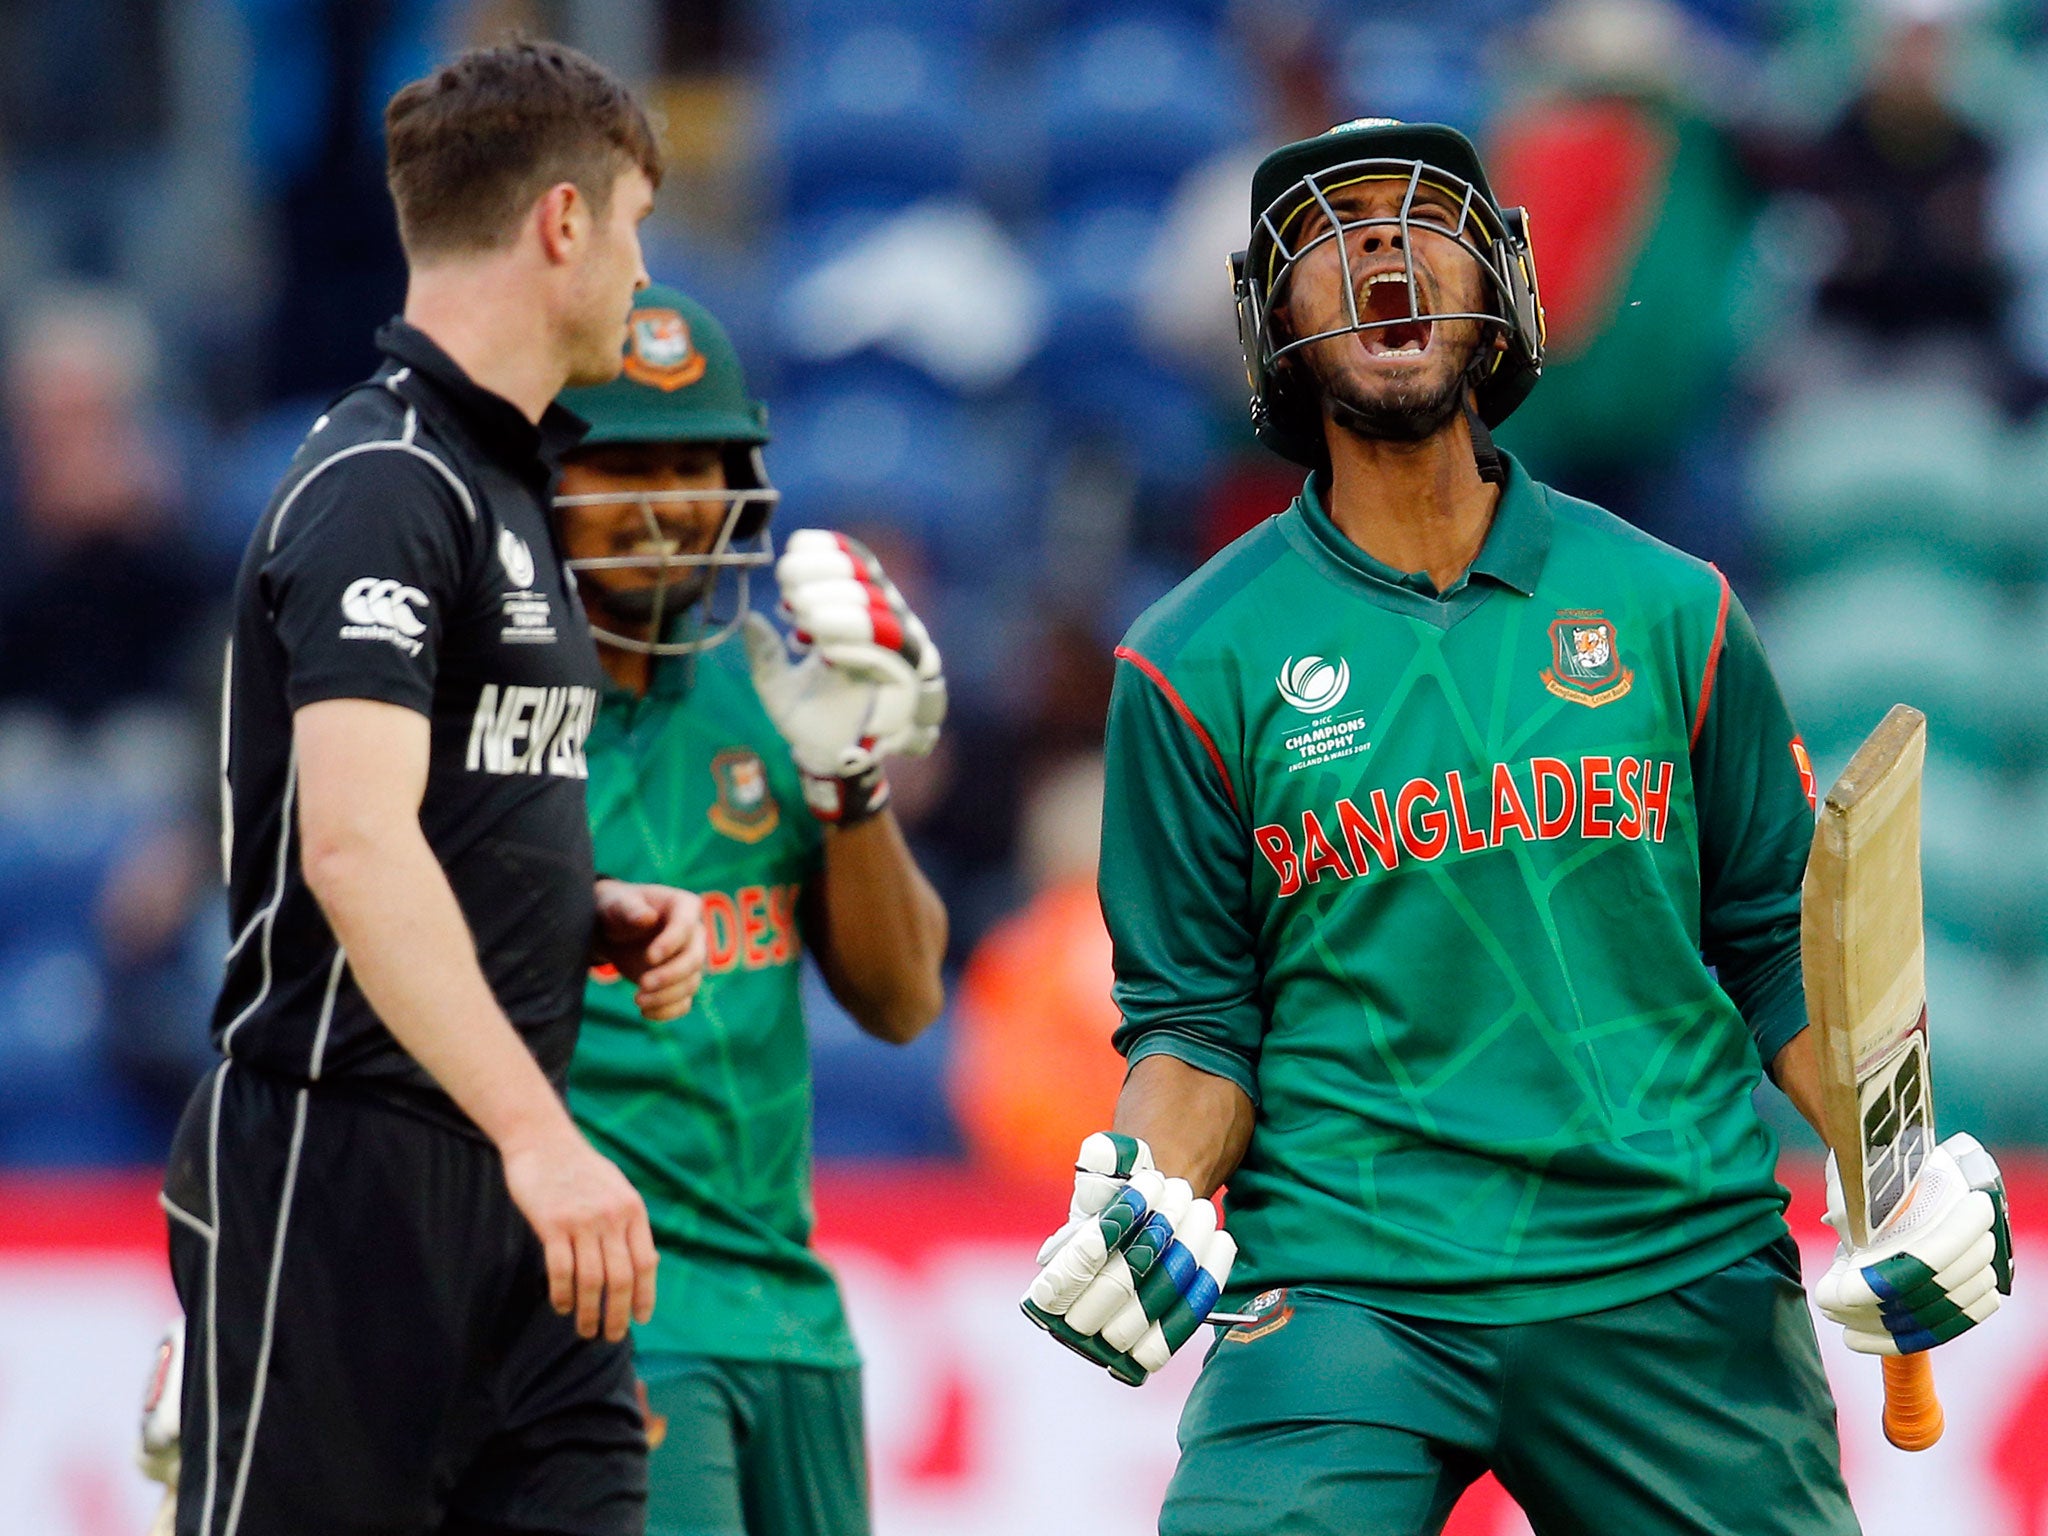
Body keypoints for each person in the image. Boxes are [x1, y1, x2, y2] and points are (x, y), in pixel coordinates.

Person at [1022, 118, 2014, 1535]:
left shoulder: (1676, 609)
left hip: (1669, 1263)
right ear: (1273, 323)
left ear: (1498, 287)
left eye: (1423, 219)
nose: (1380, 247)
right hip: (1354, 1282)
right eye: (1331, 233)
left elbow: (1786, 951)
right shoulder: (1192, 660)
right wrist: (1144, 1190)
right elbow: (1195, 1023)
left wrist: (1901, 1170)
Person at [157, 42, 704, 1536]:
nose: (646, 272)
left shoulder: (501, 482)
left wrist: (574, 909)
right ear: (564, 225)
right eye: (637, 225)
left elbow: (431, 812)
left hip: (514, 1196)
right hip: (348, 1166)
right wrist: (542, 1141)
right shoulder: (385, 482)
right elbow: (347, 842)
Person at [552, 283, 949, 1536]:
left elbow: (900, 1001)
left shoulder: (774, 694)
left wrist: (849, 777)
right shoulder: (488, 724)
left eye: (692, 464)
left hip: (794, 1306)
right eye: (621, 465)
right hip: (608, 1314)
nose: (664, 506)